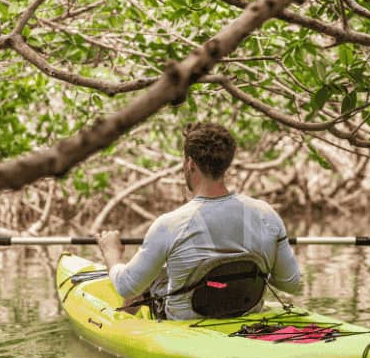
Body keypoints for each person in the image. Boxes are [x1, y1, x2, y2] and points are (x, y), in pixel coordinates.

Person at [97, 122, 301, 320]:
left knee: (146, 280)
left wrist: (111, 253)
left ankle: (119, 327)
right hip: (246, 317)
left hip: (186, 328)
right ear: (227, 164)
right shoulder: (267, 214)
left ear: (190, 164)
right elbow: (291, 284)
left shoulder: (169, 224)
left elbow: (125, 286)